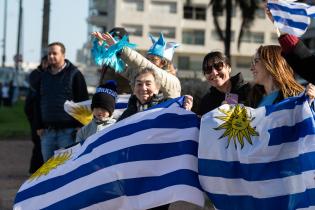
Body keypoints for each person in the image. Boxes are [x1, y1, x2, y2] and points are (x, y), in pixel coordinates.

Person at [37, 42, 89, 162]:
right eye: (49, 53)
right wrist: (38, 126)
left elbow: (83, 100)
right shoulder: (43, 76)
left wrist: (80, 127)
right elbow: (37, 102)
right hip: (47, 132)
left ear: (63, 55)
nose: (51, 56)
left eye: (54, 53)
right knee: (48, 171)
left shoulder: (75, 74)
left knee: (67, 169)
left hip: (68, 133)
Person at [92, 30, 181, 99]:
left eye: (154, 59)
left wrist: (119, 47)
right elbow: (121, 65)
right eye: (148, 58)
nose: (149, 61)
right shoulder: (140, 73)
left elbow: (145, 64)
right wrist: (103, 48)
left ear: (164, 63)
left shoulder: (173, 81)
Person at [197, 51, 251, 116]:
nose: (214, 72)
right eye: (208, 69)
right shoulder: (206, 102)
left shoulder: (249, 91)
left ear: (229, 68)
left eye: (218, 66)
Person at [24, 55, 48, 173]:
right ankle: (34, 170)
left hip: (43, 115)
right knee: (38, 143)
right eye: (46, 63)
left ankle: (37, 169)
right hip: (35, 114)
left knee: (41, 144)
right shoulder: (36, 74)